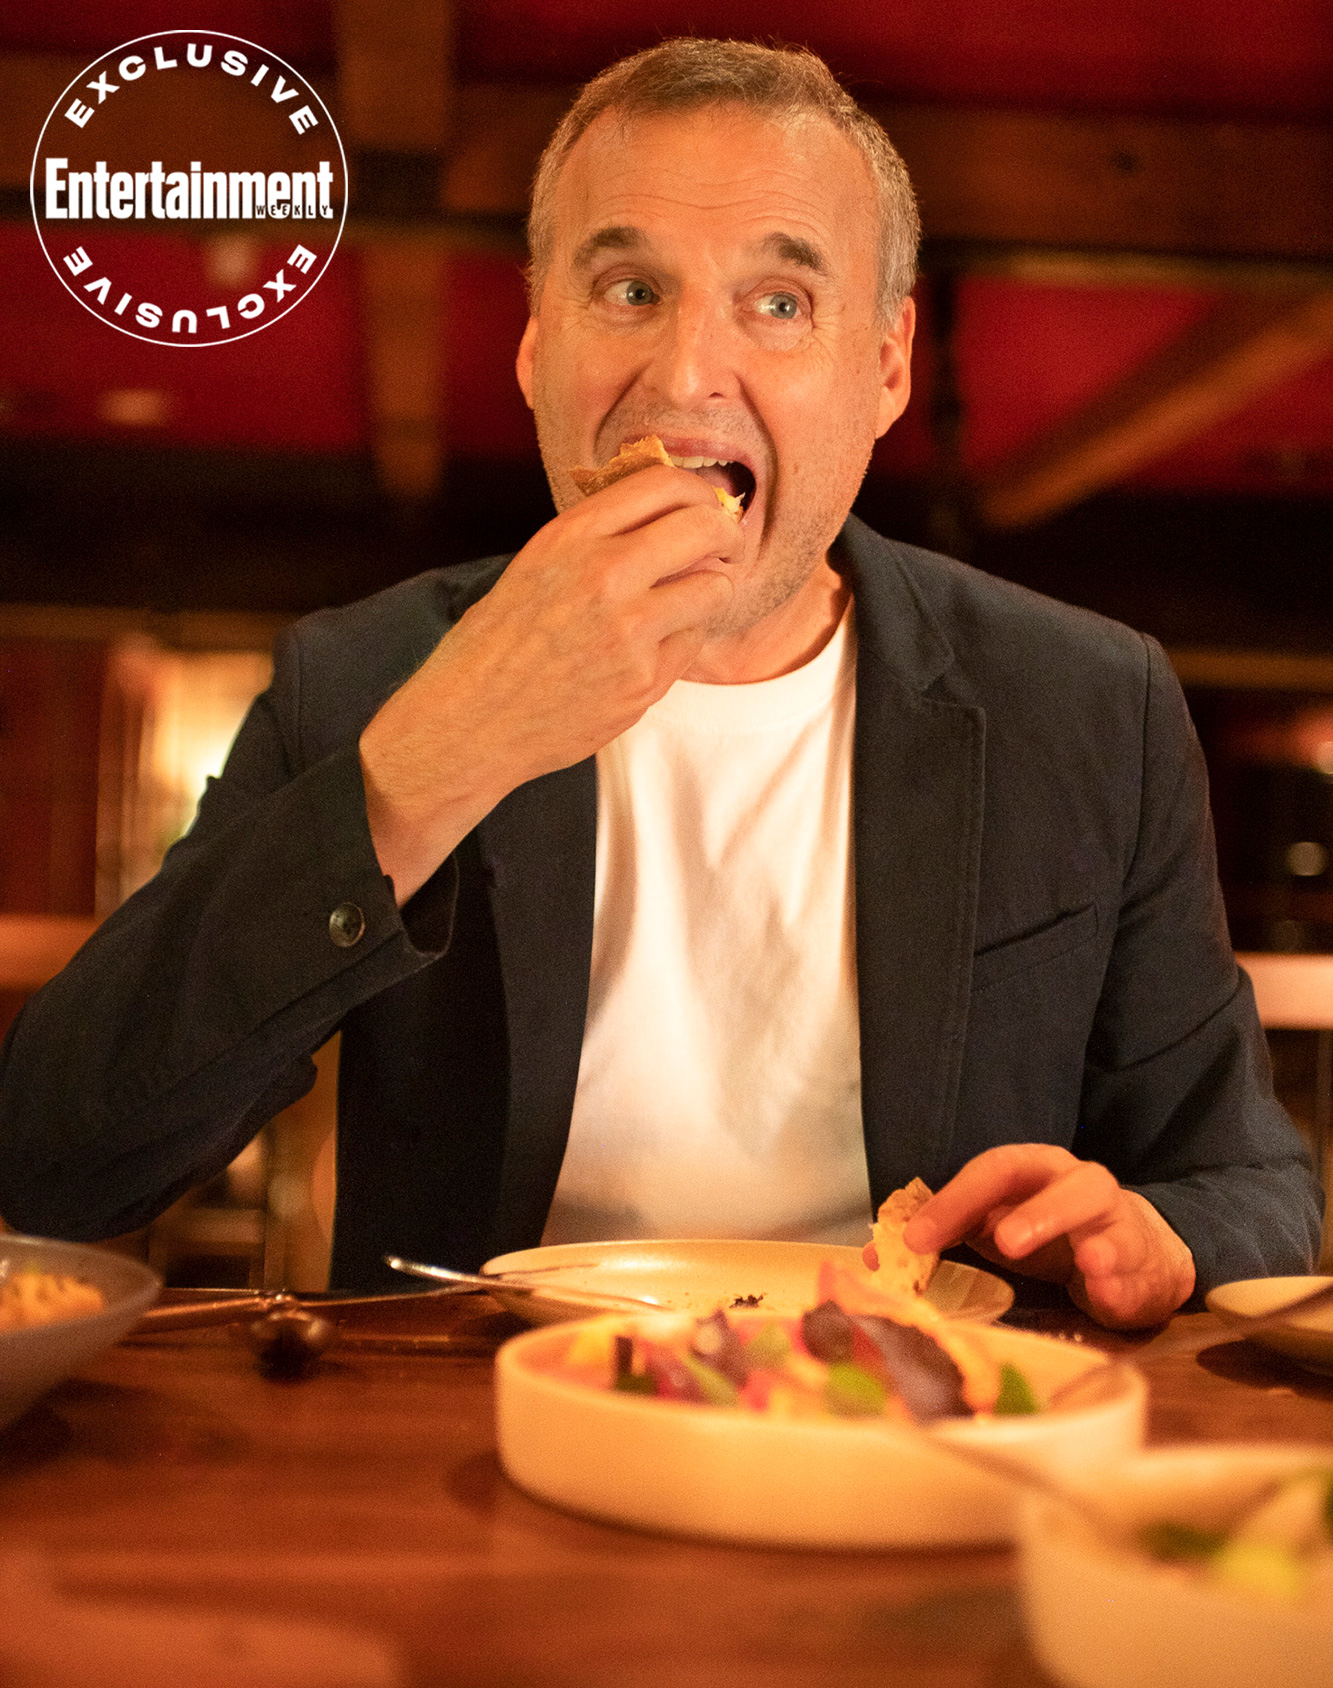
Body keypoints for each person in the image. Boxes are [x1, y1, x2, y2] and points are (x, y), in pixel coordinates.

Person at [0, 40, 1320, 1328]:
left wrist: (1156, 1236)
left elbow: (1253, 1186)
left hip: (921, 1442)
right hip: (474, 1451)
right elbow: (55, 1164)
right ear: (532, 349)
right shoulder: (367, 675)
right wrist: (427, 761)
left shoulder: (1087, 704)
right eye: (628, 290)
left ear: (883, 367)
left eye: (780, 302)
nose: (685, 375)